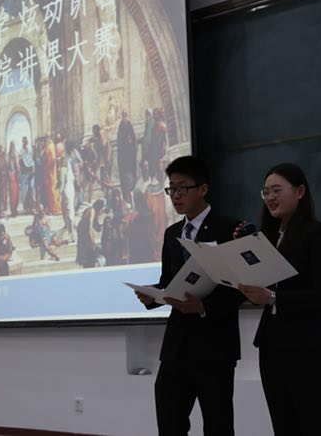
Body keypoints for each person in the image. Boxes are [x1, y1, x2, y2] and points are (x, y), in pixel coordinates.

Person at [134, 155, 242, 436]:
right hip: (177, 348)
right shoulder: (172, 233)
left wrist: (204, 306)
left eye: (182, 188)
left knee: (218, 426)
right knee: (169, 422)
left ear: (203, 189)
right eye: (171, 189)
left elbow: (241, 288)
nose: (175, 196)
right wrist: (153, 295)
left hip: (215, 347)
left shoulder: (230, 229)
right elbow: (169, 282)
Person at [237, 163, 321, 436]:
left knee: (316, 425)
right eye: (265, 192)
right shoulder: (268, 239)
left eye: (276, 190)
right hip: (272, 346)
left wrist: (272, 297)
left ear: (300, 191)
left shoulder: (318, 234)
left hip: (309, 348)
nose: (270, 197)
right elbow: (268, 288)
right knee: (283, 426)